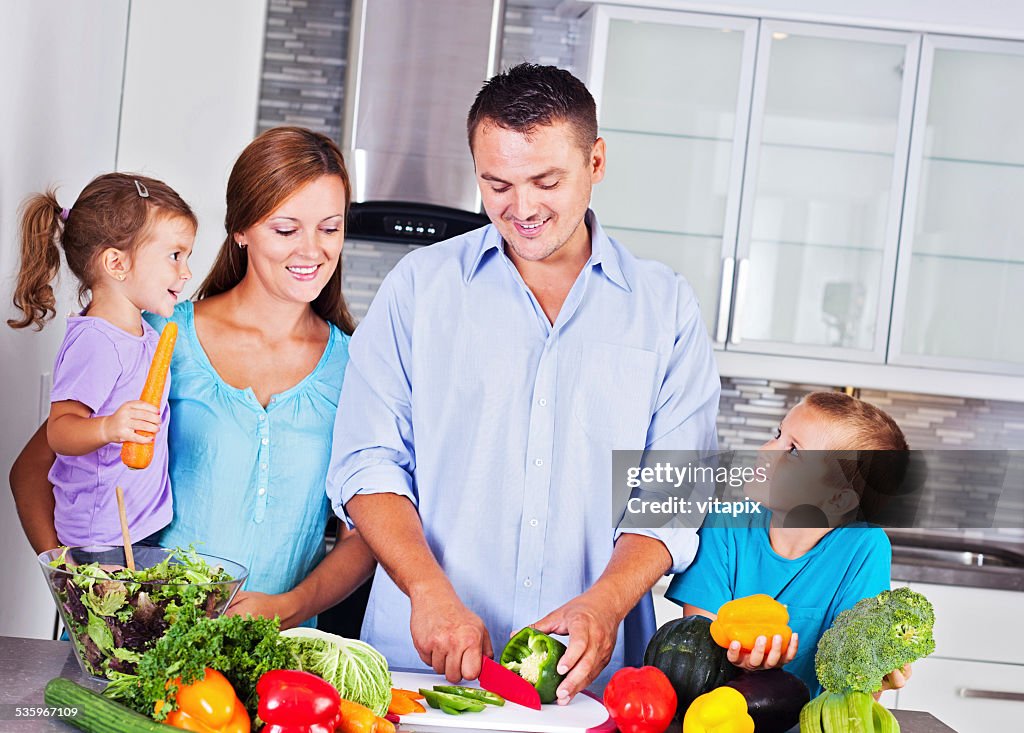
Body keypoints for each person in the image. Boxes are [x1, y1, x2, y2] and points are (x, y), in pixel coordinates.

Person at [327, 63, 720, 700]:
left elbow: (672, 495)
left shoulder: (665, 307)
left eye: (546, 181)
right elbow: (365, 464)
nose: (523, 208)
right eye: (497, 183)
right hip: (420, 672)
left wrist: (605, 604)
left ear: (595, 161)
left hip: (588, 686)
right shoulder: (418, 290)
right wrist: (427, 590)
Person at [10, 127, 376, 629]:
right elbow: (33, 470)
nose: (312, 251)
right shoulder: (158, 338)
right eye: (286, 230)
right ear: (241, 229)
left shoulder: (356, 369)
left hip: (276, 661)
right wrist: (79, 598)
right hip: (144, 647)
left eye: (330, 228)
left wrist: (290, 607)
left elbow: (361, 536)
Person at [665, 391, 913, 697]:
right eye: (777, 434)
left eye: (793, 450)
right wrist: (739, 664)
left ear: (838, 499)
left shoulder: (864, 548)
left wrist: (875, 678)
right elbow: (697, 653)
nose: (766, 450)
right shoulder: (723, 525)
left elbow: (856, 681)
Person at [8, 173, 196, 547]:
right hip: (99, 539)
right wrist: (109, 428)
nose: (186, 272)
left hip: (134, 530)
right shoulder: (96, 341)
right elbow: (60, 430)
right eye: (175, 256)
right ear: (117, 263)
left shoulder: (144, 333)